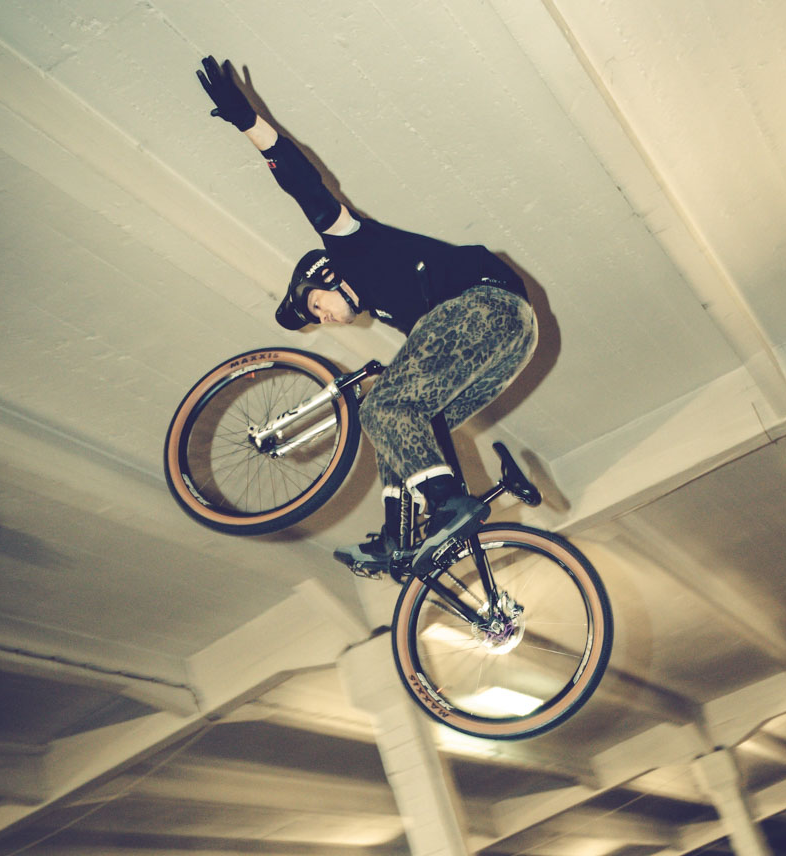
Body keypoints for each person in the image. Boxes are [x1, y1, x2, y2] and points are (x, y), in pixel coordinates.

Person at [196, 56, 538, 575]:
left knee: (383, 406)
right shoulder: (396, 310)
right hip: (511, 339)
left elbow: (304, 185)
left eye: (317, 306)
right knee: (400, 423)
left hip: (484, 304)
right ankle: (398, 537)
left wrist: (249, 123)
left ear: (325, 276)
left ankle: (449, 504)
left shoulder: (353, 247)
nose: (325, 320)